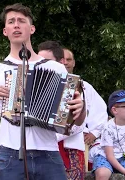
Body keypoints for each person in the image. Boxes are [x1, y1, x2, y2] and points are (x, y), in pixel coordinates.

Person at [0, 4, 85, 180]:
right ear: (5, 31)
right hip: (10, 155)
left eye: (21, 21)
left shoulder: (56, 68)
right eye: (11, 22)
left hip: (49, 154)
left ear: (32, 29)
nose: (16, 25)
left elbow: (75, 121)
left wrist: (80, 109)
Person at [38, 42, 108, 179]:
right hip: (42, 146)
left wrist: (94, 132)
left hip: (72, 144)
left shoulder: (84, 86)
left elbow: (98, 111)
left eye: (69, 60)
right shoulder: (38, 85)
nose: (66, 63)